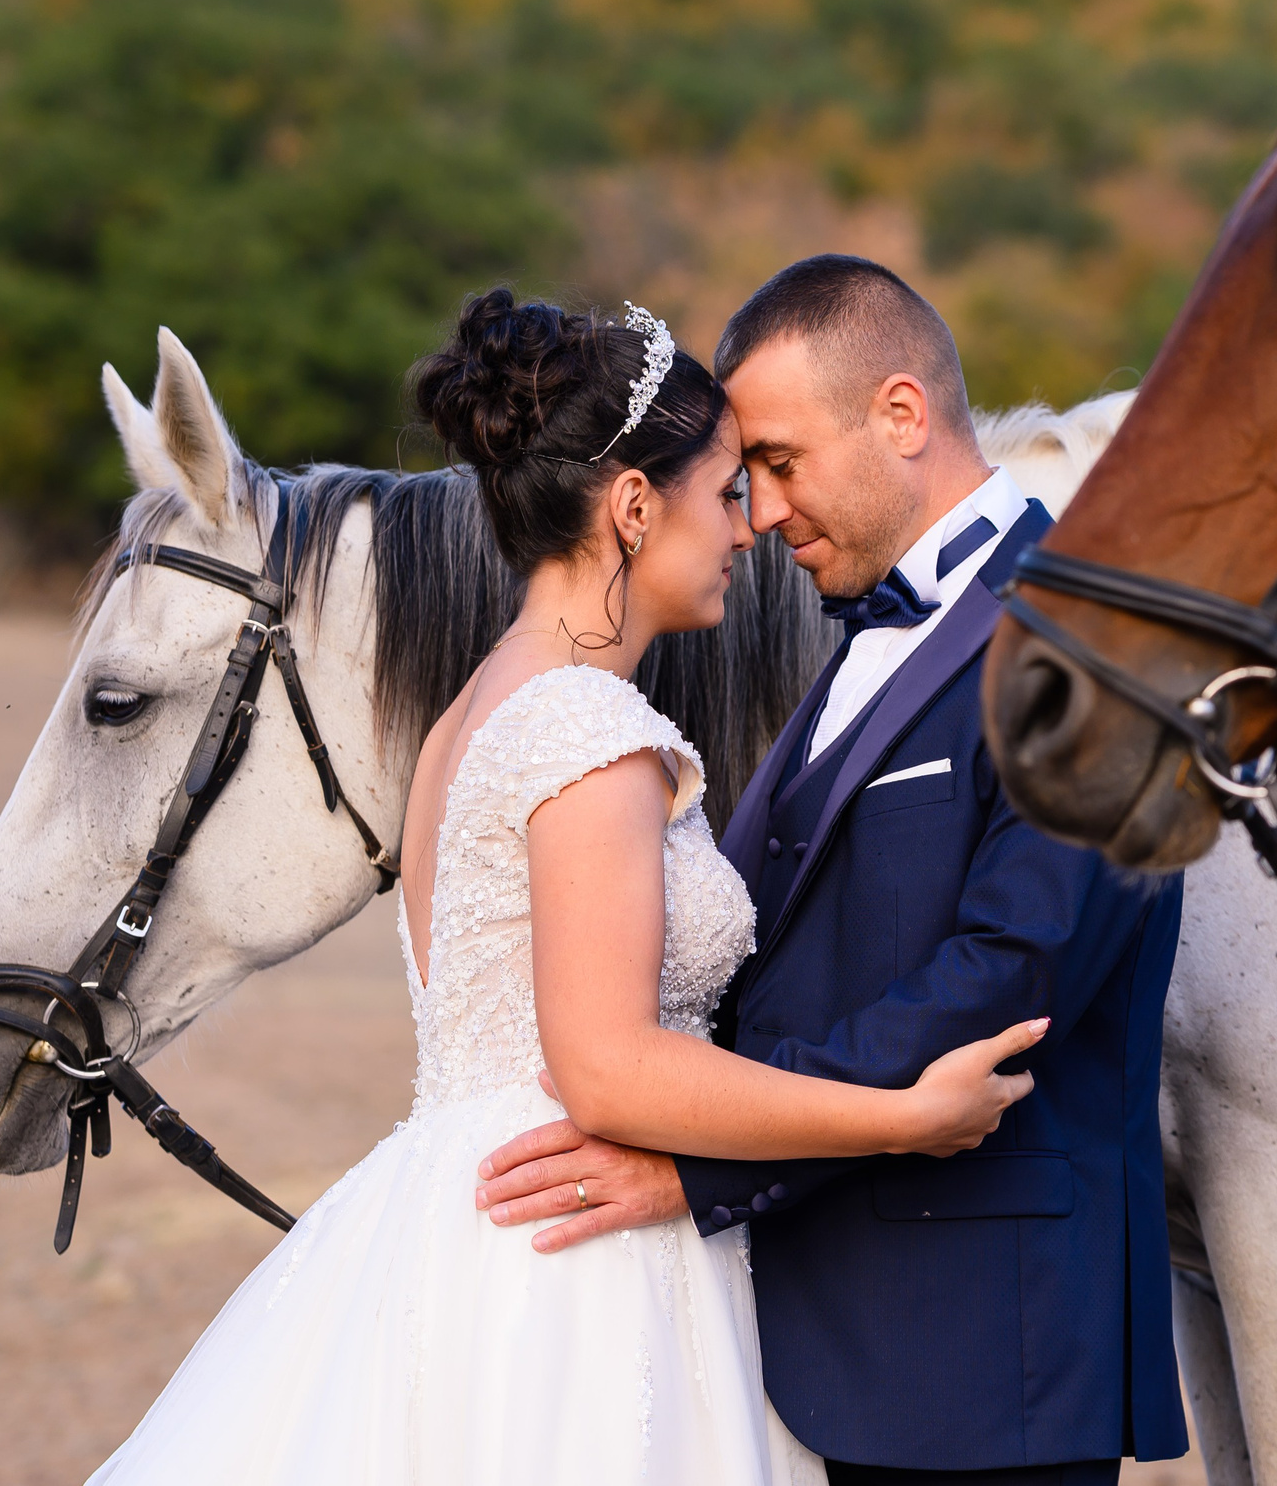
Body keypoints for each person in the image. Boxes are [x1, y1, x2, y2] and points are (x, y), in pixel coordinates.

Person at [88, 290, 1044, 1484]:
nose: (750, 527)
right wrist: (901, 1117)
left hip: (469, 1222)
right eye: (725, 488)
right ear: (636, 506)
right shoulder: (586, 728)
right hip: (584, 1264)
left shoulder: (472, 715)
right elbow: (609, 1066)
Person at [474, 256, 1188, 1484]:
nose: (758, 511)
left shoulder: (1098, 637)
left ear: (902, 416)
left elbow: (1006, 977)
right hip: (818, 1323)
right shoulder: (854, 639)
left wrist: (700, 1155)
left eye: (783, 463)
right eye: (746, 477)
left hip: (980, 1345)